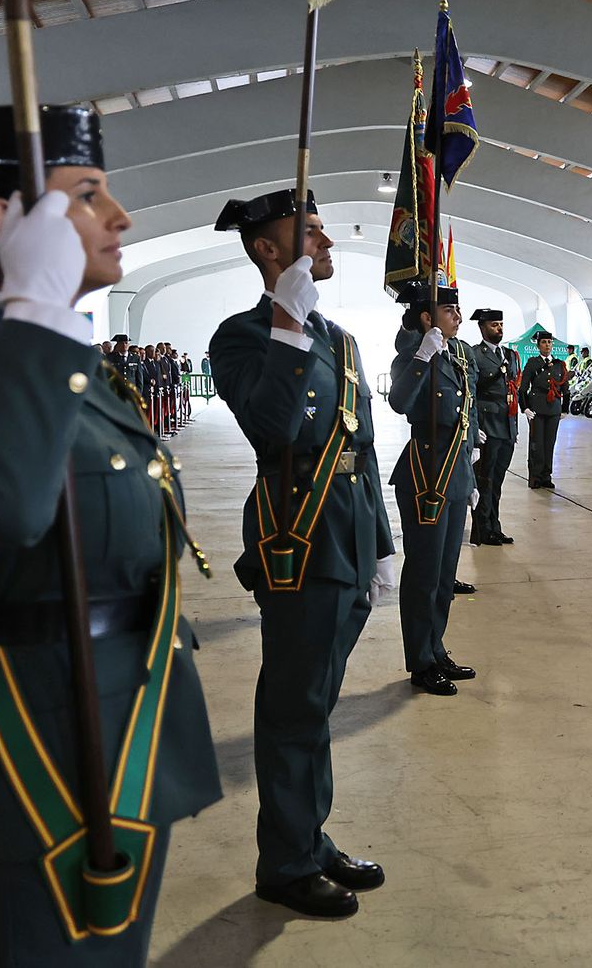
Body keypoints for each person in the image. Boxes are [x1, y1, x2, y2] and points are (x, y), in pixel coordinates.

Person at [0, 97, 220, 962]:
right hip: (36, 740)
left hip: (127, 724)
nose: (120, 215)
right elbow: (1, 510)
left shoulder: (70, 358)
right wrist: (34, 310)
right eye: (89, 193)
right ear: (8, 221)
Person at [208, 187, 392, 918]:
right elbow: (273, 428)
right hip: (299, 538)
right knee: (292, 706)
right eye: (310, 231)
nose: (326, 241)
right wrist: (285, 324)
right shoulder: (241, 337)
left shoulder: (339, 338)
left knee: (318, 702)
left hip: (349, 536)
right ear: (268, 249)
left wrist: (382, 543)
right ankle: (284, 863)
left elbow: (362, 444)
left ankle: (310, 839)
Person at [388, 281, 478, 696]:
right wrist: (422, 356)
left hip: (454, 474)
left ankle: (436, 647)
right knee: (423, 574)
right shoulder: (413, 356)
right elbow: (400, 401)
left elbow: (464, 417)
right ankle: (420, 661)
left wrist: (470, 478)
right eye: (449, 311)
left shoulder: (455, 356)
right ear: (427, 318)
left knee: (444, 576)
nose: (457, 317)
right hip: (426, 475)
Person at [469, 307, 519, 545]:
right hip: (488, 427)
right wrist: (475, 427)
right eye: (493, 325)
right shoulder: (475, 355)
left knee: (497, 481)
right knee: (484, 480)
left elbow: (512, 389)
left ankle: (494, 526)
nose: (499, 329)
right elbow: (472, 392)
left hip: (507, 426)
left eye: (500, 324)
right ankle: (482, 529)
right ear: (482, 328)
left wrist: (514, 427)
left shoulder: (509, 355)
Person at [519, 331, 568, 489]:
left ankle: (547, 475)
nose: (547, 345)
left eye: (549, 342)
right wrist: (525, 407)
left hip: (553, 409)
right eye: (544, 342)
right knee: (537, 444)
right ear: (538, 345)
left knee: (549, 443)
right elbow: (523, 388)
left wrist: (564, 409)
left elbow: (565, 388)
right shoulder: (533, 363)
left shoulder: (559, 364)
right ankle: (535, 476)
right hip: (537, 409)